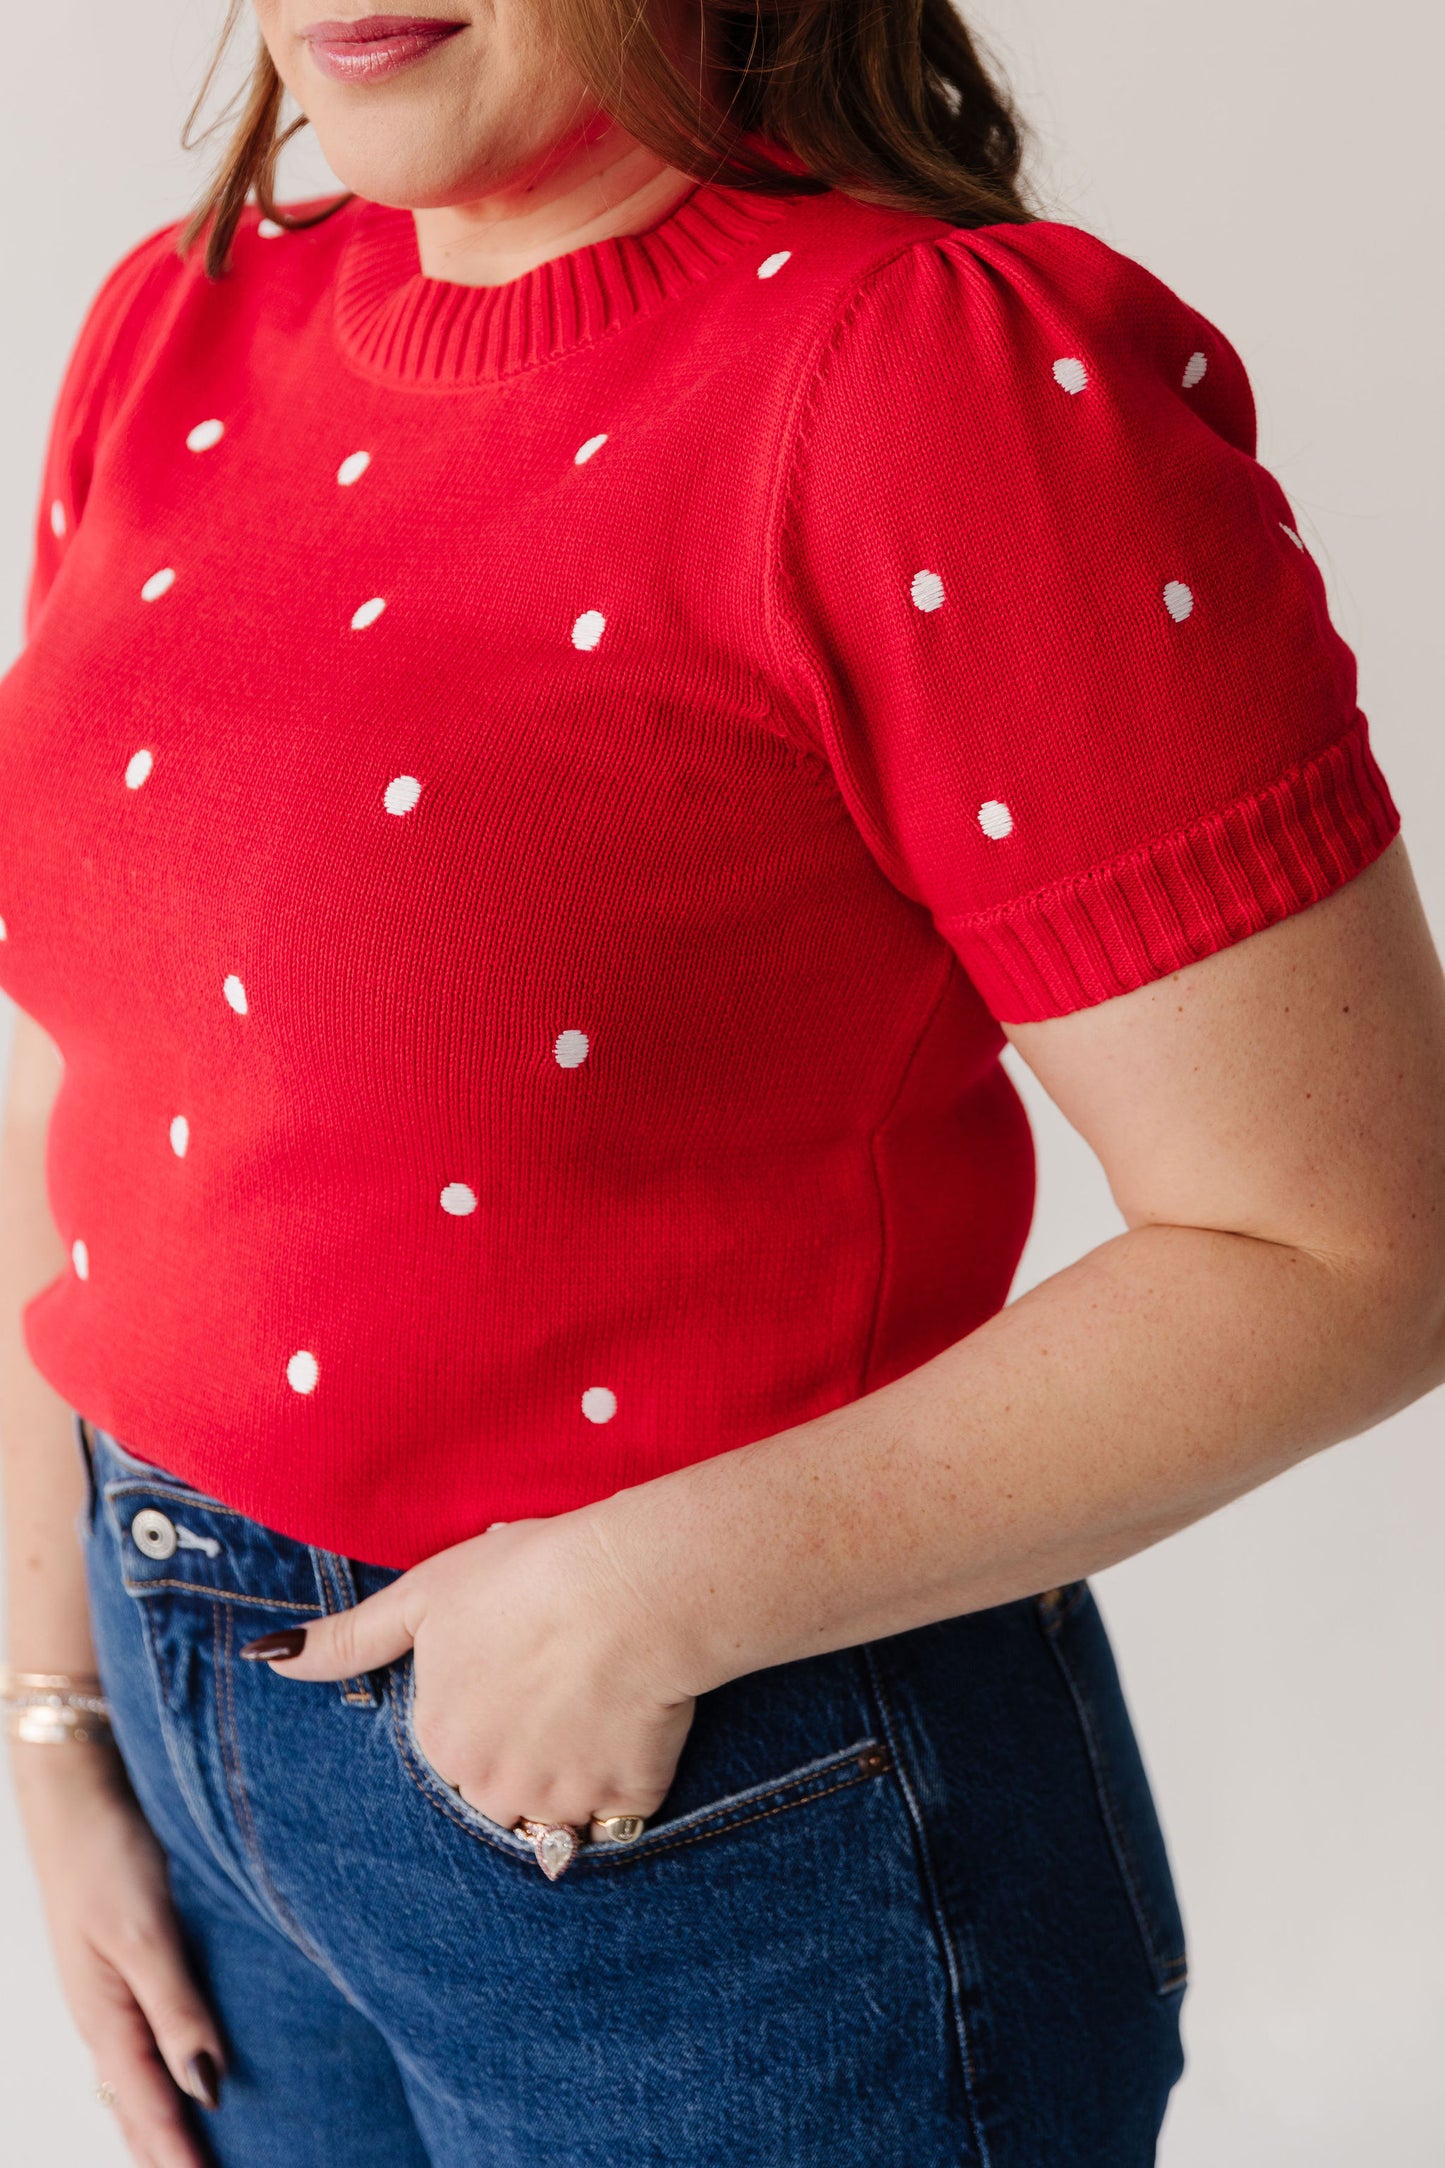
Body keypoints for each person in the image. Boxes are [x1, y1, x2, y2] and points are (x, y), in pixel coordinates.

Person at [2, 0, 1442, 2162]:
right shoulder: (178, 330)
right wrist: (58, 1707)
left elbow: (1355, 1244)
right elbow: (90, 1085)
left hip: (718, 1822)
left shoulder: (937, 381)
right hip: (197, 1743)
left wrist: (639, 1593)